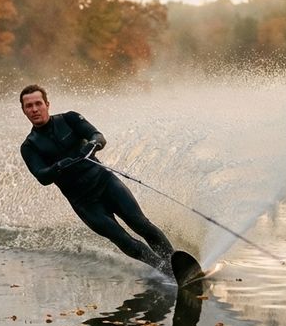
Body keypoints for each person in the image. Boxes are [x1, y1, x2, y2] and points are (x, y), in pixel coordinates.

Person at [18, 83, 175, 273]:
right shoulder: (29, 146)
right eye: (29, 106)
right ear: (24, 111)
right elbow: (42, 177)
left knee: (141, 224)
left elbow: (98, 136)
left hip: (106, 183)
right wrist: (60, 165)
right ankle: (164, 270)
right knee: (123, 239)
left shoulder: (69, 119)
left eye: (38, 103)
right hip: (83, 202)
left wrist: (92, 145)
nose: (34, 109)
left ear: (47, 104)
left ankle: (175, 263)